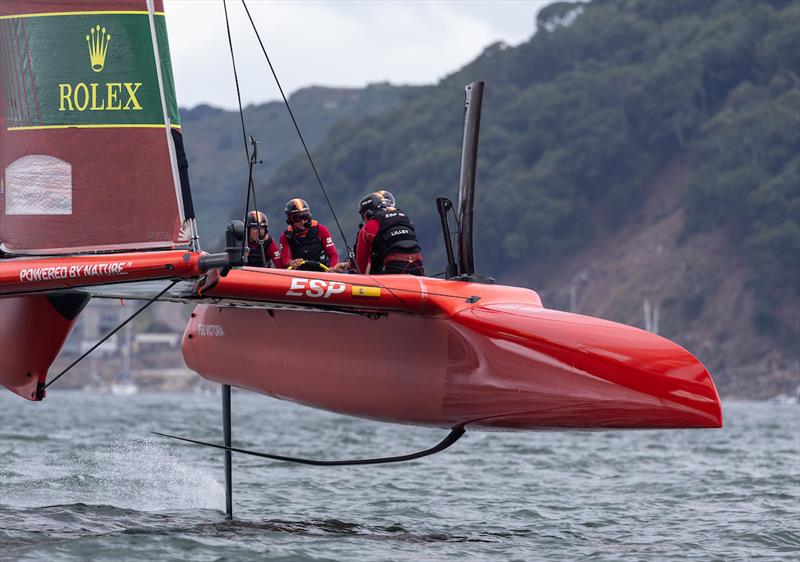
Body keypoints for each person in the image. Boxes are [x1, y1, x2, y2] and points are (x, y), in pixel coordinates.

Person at [353, 191, 424, 275]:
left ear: (368, 213)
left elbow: (361, 265)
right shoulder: (405, 218)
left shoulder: (367, 228)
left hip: (393, 268)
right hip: (418, 265)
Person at [279, 198, 339, 269]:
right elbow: (285, 260)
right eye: (297, 218)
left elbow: (334, 255)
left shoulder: (321, 229)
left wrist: (332, 269)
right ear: (290, 220)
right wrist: (291, 262)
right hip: (300, 275)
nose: (302, 221)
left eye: (305, 216)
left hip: (323, 272)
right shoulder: (286, 236)